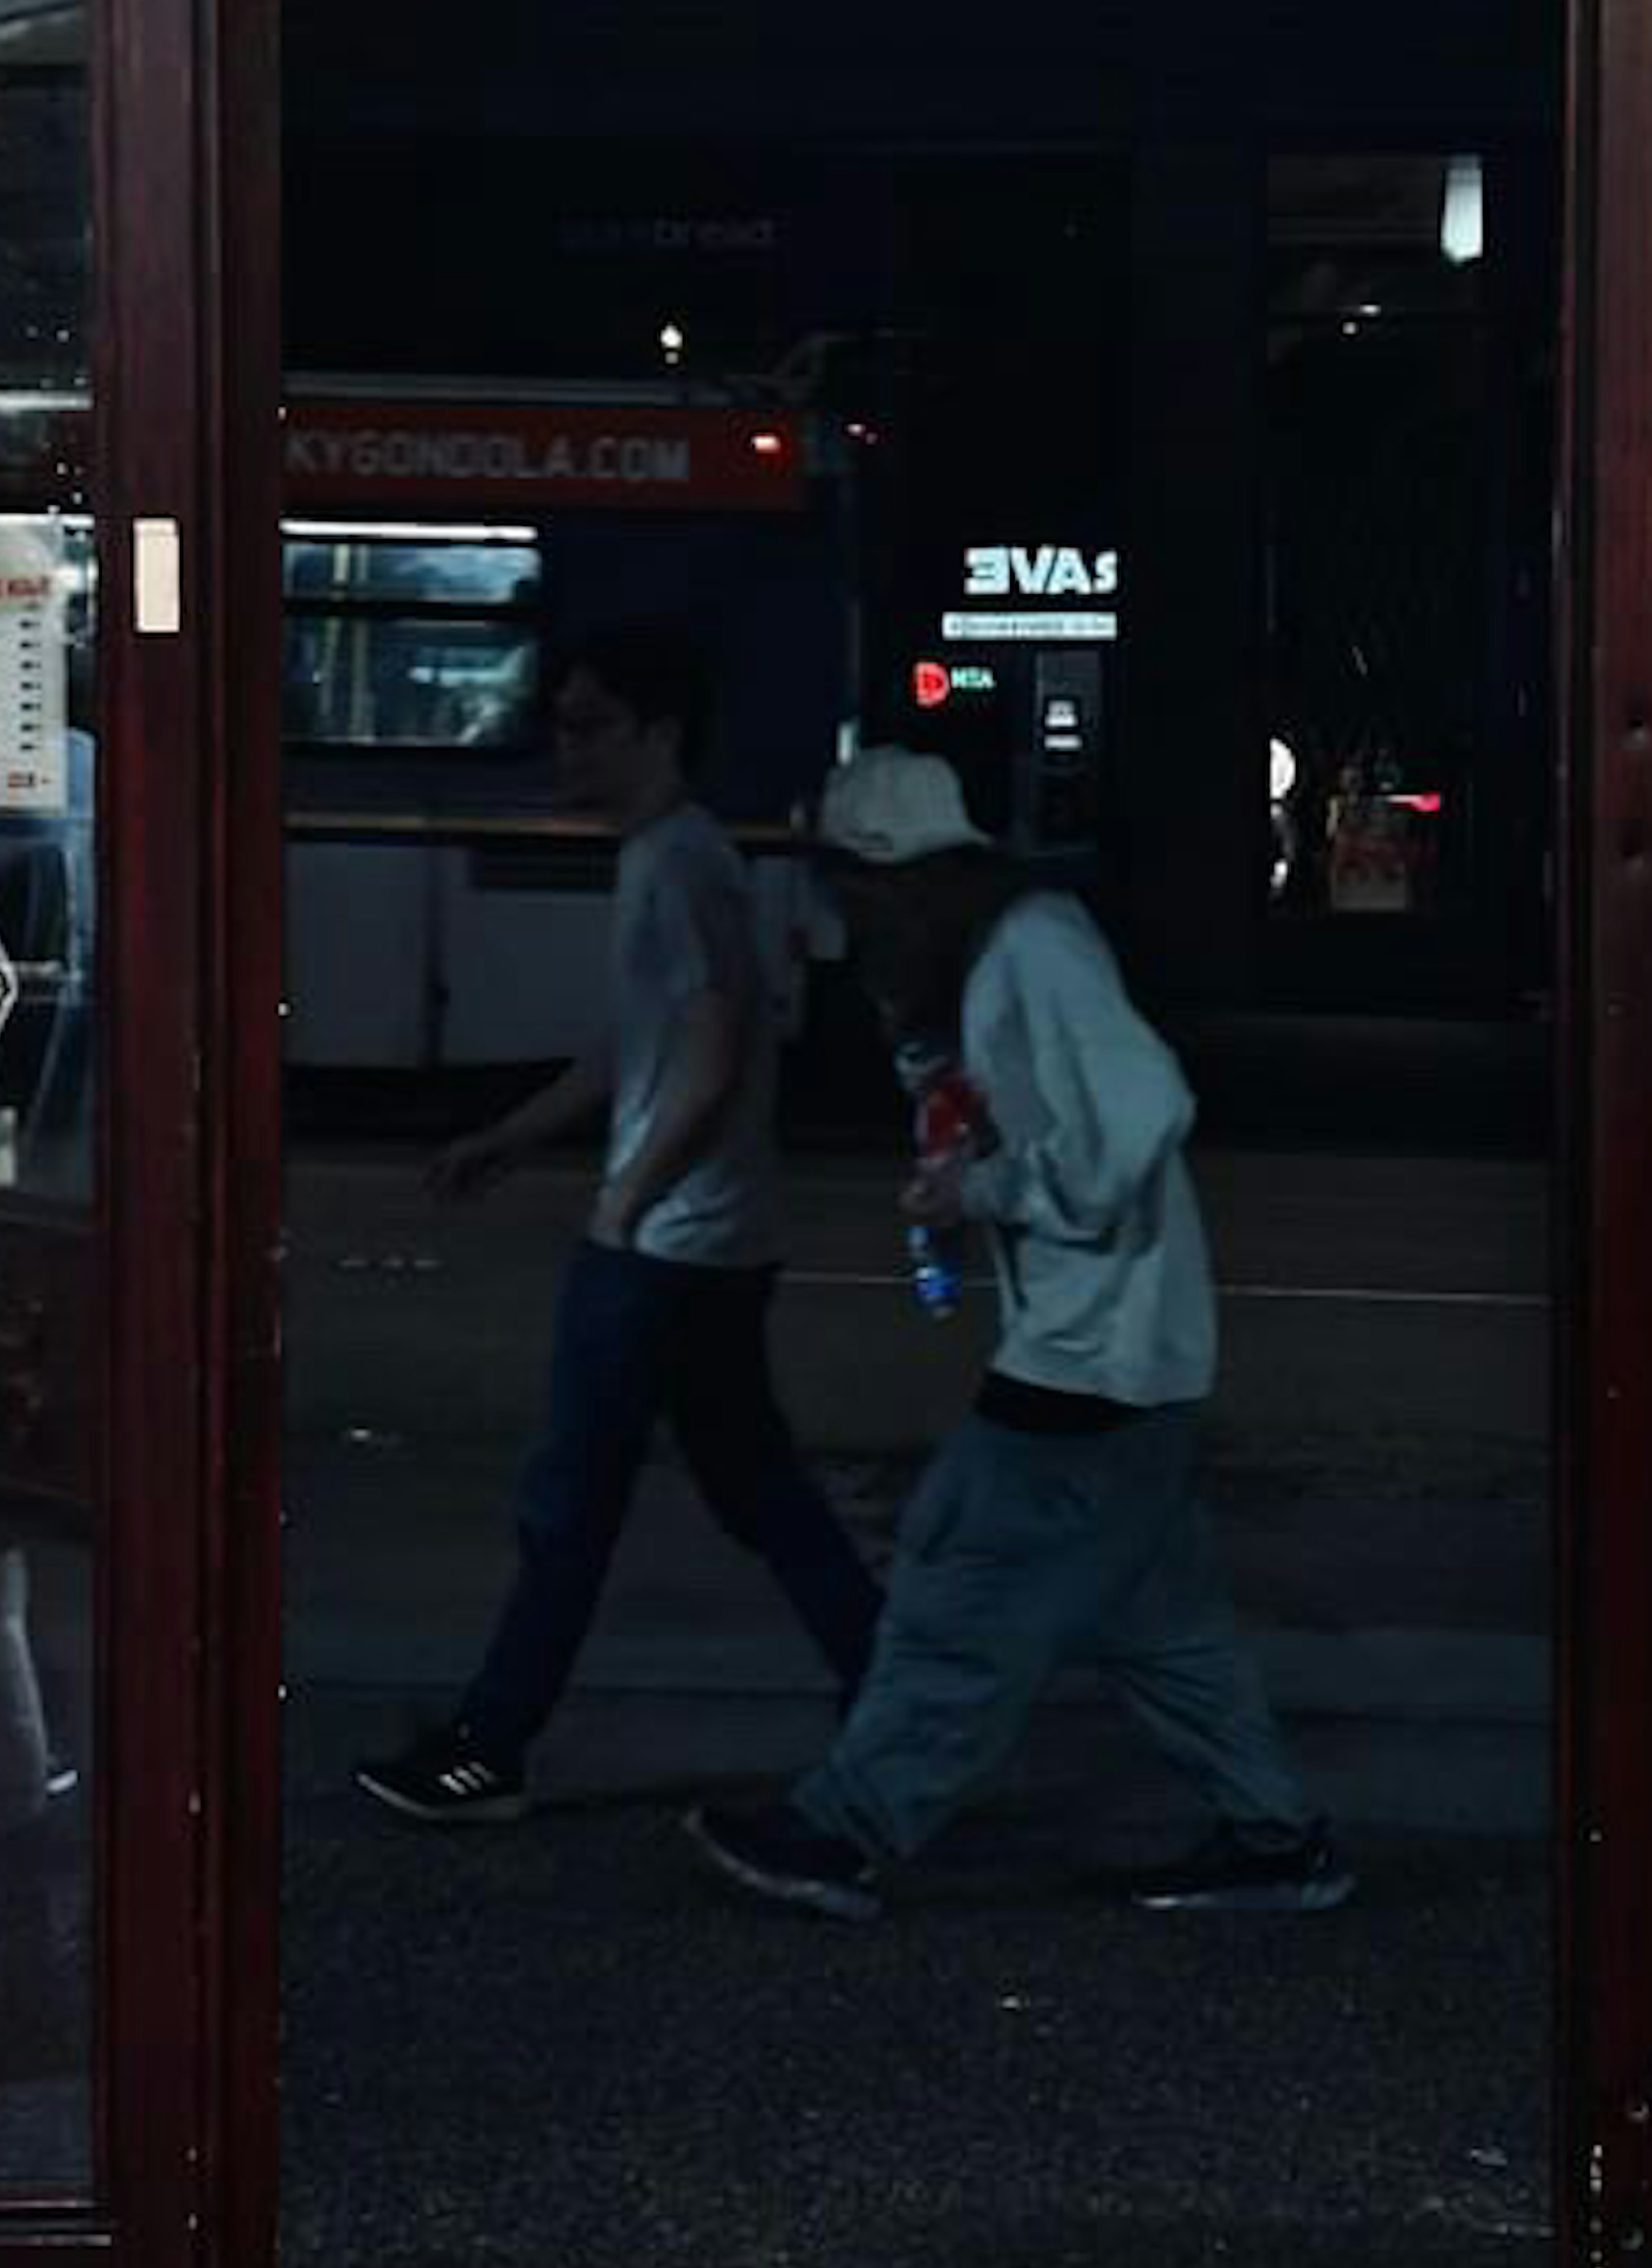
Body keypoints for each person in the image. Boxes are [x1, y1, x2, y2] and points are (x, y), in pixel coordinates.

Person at [687, 745, 1351, 1922]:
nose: (833, 911)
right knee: (1162, 1627)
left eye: (842, 882)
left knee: (959, 1574)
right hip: (1123, 1349)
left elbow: (1141, 1109)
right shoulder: (990, 950)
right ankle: (1278, 1838)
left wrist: (988, 1191)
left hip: (1093, 1351)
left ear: (886, 875)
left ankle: (846, 1828)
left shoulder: (1031, 947)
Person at [355, 621, 881, 1822]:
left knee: (568, 1503)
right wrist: (513, 1135)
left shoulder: (676, 863)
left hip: (662, 1252)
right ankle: (891, 1694)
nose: (563, 745)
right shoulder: (681, 855)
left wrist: (627, 1196)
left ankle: (488, 1746)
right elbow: (641, 1043)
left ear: (659, 732)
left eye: (590, 723)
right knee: (758, 1490)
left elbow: (710, 1046)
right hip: (713, 1246)